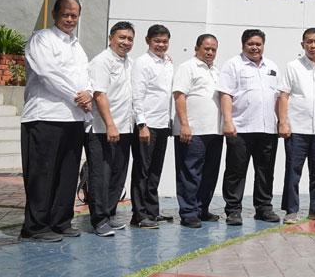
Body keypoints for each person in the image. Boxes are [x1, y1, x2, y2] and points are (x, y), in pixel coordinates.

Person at [19, 0, 92, 242]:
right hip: (45, 116)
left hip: (73, 119)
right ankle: (35, 227)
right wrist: (77, 97)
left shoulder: (77, 47)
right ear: (54, 14)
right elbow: (48, 73)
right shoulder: (42, 39)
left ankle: (60, 221)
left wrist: (88, 93)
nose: (70, 19)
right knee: (42, 173)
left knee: (67, 173)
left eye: (74, 15)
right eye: (65, 14)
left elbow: (86, 76)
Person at [219, 29, 281, 226]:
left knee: (265, 171)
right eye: (250, 44)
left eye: (258, 44)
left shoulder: (272, 66)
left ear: (263, 45)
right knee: (235, 171)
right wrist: (227, 121)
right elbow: (226, 94)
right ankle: (233, 210)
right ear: (243, 45)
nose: (255, 47)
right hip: (240, 128)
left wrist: (282, 121)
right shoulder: (233, 65)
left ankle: (263, 208)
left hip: (267, 129)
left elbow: (278, 97)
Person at [277, 27, 315, 224]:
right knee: (293, 171)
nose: (312, 45)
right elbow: (284, 95)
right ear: (302, 44)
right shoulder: (293, 66)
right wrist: (283, 123)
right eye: (309, 41)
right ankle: (291, 210)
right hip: (296, 128)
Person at [85, 21, 135, 237]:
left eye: (130, 39)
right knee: (101, 176)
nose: (126, 42)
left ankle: (109, 213)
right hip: (102, 129)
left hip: (125, 128)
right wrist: (110, 125)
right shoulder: (101, 61)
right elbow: (99, 95)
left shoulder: (129, 63)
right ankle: (99, 220)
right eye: (122, 37)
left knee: (117, 175)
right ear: (111, 38)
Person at [173, 34, 223, 228]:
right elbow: (179, 96)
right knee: (190, 173)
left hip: (214, 130)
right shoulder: (187, 67)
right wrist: (184, 124)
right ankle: (188, 213)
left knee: (209, 173)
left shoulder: (216, 71)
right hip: (193, 131)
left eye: (213, 49)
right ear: (197, 48)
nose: (210, 52)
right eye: (206, 48)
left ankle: (202, 209)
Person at [130, 24, 174, 229]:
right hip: (147, 125)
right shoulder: (142, 63)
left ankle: (152, 211)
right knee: (142, 171)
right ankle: (139, 215)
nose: (161, 45)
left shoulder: (168, 63)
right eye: (157, 41)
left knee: (155, 170)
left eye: (164, 41)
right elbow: (137, 95)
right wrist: (142, 124)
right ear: (148, 41)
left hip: (162, 124)